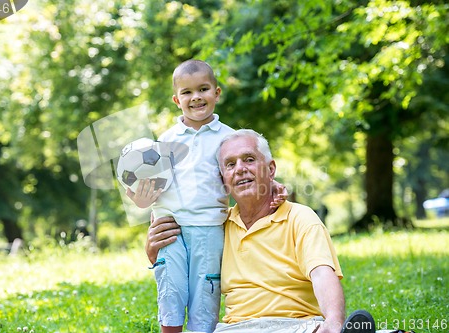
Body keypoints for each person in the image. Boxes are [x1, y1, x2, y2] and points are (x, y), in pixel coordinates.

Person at [146, 129, 382, 333]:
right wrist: (154, 253)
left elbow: (322, 274)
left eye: (249, 159)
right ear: (223, 180)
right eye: (230, 164)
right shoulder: (216, 227)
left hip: (295, 325)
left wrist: (333, 323)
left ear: (270, 169)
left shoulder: (300, 218)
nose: (239, 169)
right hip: (235, 328)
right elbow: (188, 274)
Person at [126, 61, 285, 333]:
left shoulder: (229, 138)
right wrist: (138, 197)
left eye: (203, 89)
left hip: (210, 227)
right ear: (177, 100)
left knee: (205, 291)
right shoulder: (164, 141)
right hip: (170, 226)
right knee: (171, 288)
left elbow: (247, 168)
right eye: (187, 92)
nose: (196, 97)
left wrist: (272, 184)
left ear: (217, 93)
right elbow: (149, 185)